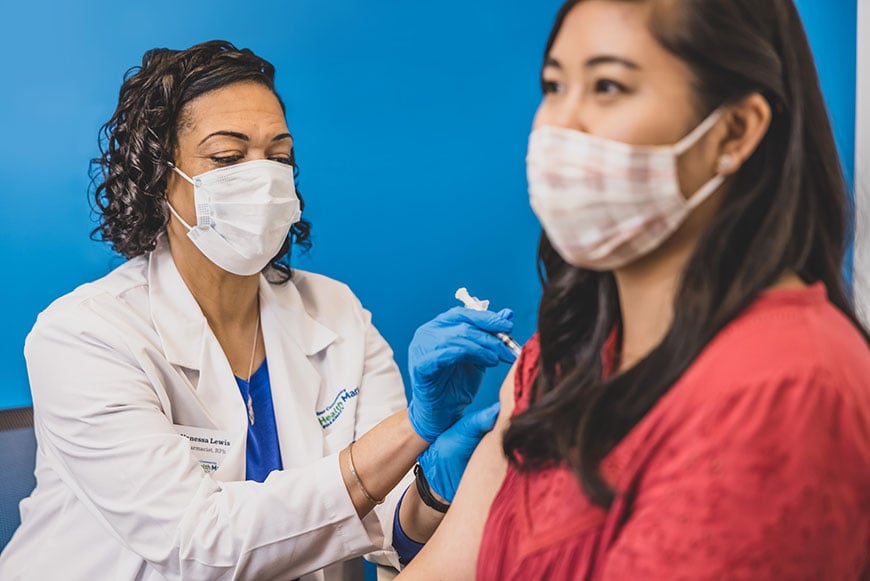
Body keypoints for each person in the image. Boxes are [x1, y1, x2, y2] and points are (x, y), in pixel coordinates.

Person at [0, 41, 515, 580]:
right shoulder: (84, 336)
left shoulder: (335, 313)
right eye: (227, 157)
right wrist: (412, 430)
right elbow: (198, 545)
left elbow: (385, 520)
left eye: (280, 156)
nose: (264, 179)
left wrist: (430, 491)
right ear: (160, 178)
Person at [399, 0, 870, 578]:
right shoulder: (563, 359)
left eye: (607, 86)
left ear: (734, 131)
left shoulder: (785, 390)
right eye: (554, 85)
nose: (557, 127)